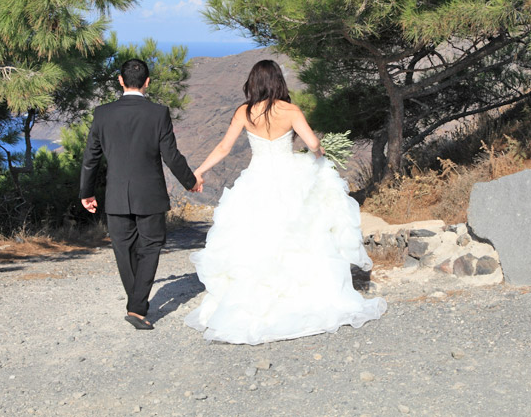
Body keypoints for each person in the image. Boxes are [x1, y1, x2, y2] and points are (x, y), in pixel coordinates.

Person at [185, 59, 386, 345]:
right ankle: (303, 297)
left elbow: (224, 147)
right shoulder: (290, 111)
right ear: (278, 82)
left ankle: (255, 299)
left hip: (257, 179)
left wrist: (200, 171)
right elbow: (313, 144)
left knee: (257, 237)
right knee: (300, 235)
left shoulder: (244, 112)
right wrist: (319, 153)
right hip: (290, 176)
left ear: (253, 83)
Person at [79, 58, 202, 331]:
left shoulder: (102, 113)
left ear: (120, 81)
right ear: (147, 82)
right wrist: (190, 181)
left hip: (115, 196)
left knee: (123, 249)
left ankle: (135, 304)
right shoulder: (158, 113)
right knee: (150, 247)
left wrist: (86, 192)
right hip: (150, 195)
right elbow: (171, 155)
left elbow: (91, 157)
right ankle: (136, 307)